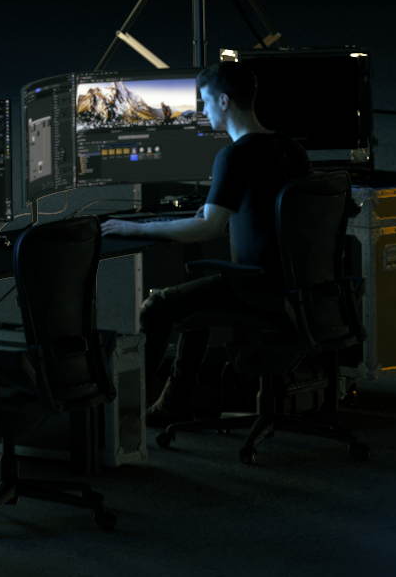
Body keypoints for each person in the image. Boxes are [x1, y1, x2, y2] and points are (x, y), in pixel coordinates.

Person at [103, 65, 311, 422]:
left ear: (224, 101)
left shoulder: (234, 156)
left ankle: (126, 411)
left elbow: (206, 229)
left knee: (157, 307)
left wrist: (137, 228)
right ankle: (175, 401)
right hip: (297, 287)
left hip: (255, 285)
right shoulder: (292, 150)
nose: (203, 111)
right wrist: (217, 210)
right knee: (194, 300)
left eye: (206, 102)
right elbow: (265, 206)